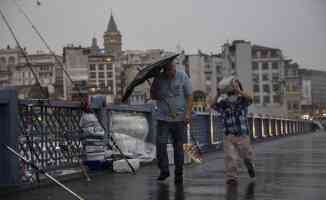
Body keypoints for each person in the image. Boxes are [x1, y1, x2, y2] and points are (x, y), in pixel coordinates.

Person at [150, 62, 193, 184]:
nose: (171, 73)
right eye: (168, 71)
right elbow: (153, 96)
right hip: (163, 118)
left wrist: (188, 114)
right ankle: (164, 170)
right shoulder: (158, 79)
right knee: (160, 144)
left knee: (178, 147)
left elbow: (190, 96)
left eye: (173, 70)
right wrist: (154, 90)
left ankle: (178, 173)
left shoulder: (183, 76)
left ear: (175, 68)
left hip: (180, 118)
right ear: (164, 70)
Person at [210, 78, 255, 185]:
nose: (233, 87)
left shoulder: (242, 100)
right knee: (230, 156)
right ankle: (232, 177)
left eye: (236, 85)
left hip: (242, 134)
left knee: (246, 155)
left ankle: (249, 165)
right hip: (228, 134)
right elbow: (212, 105)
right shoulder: (223, 103)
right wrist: (218, 94)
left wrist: (239, 91)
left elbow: (251, 99)